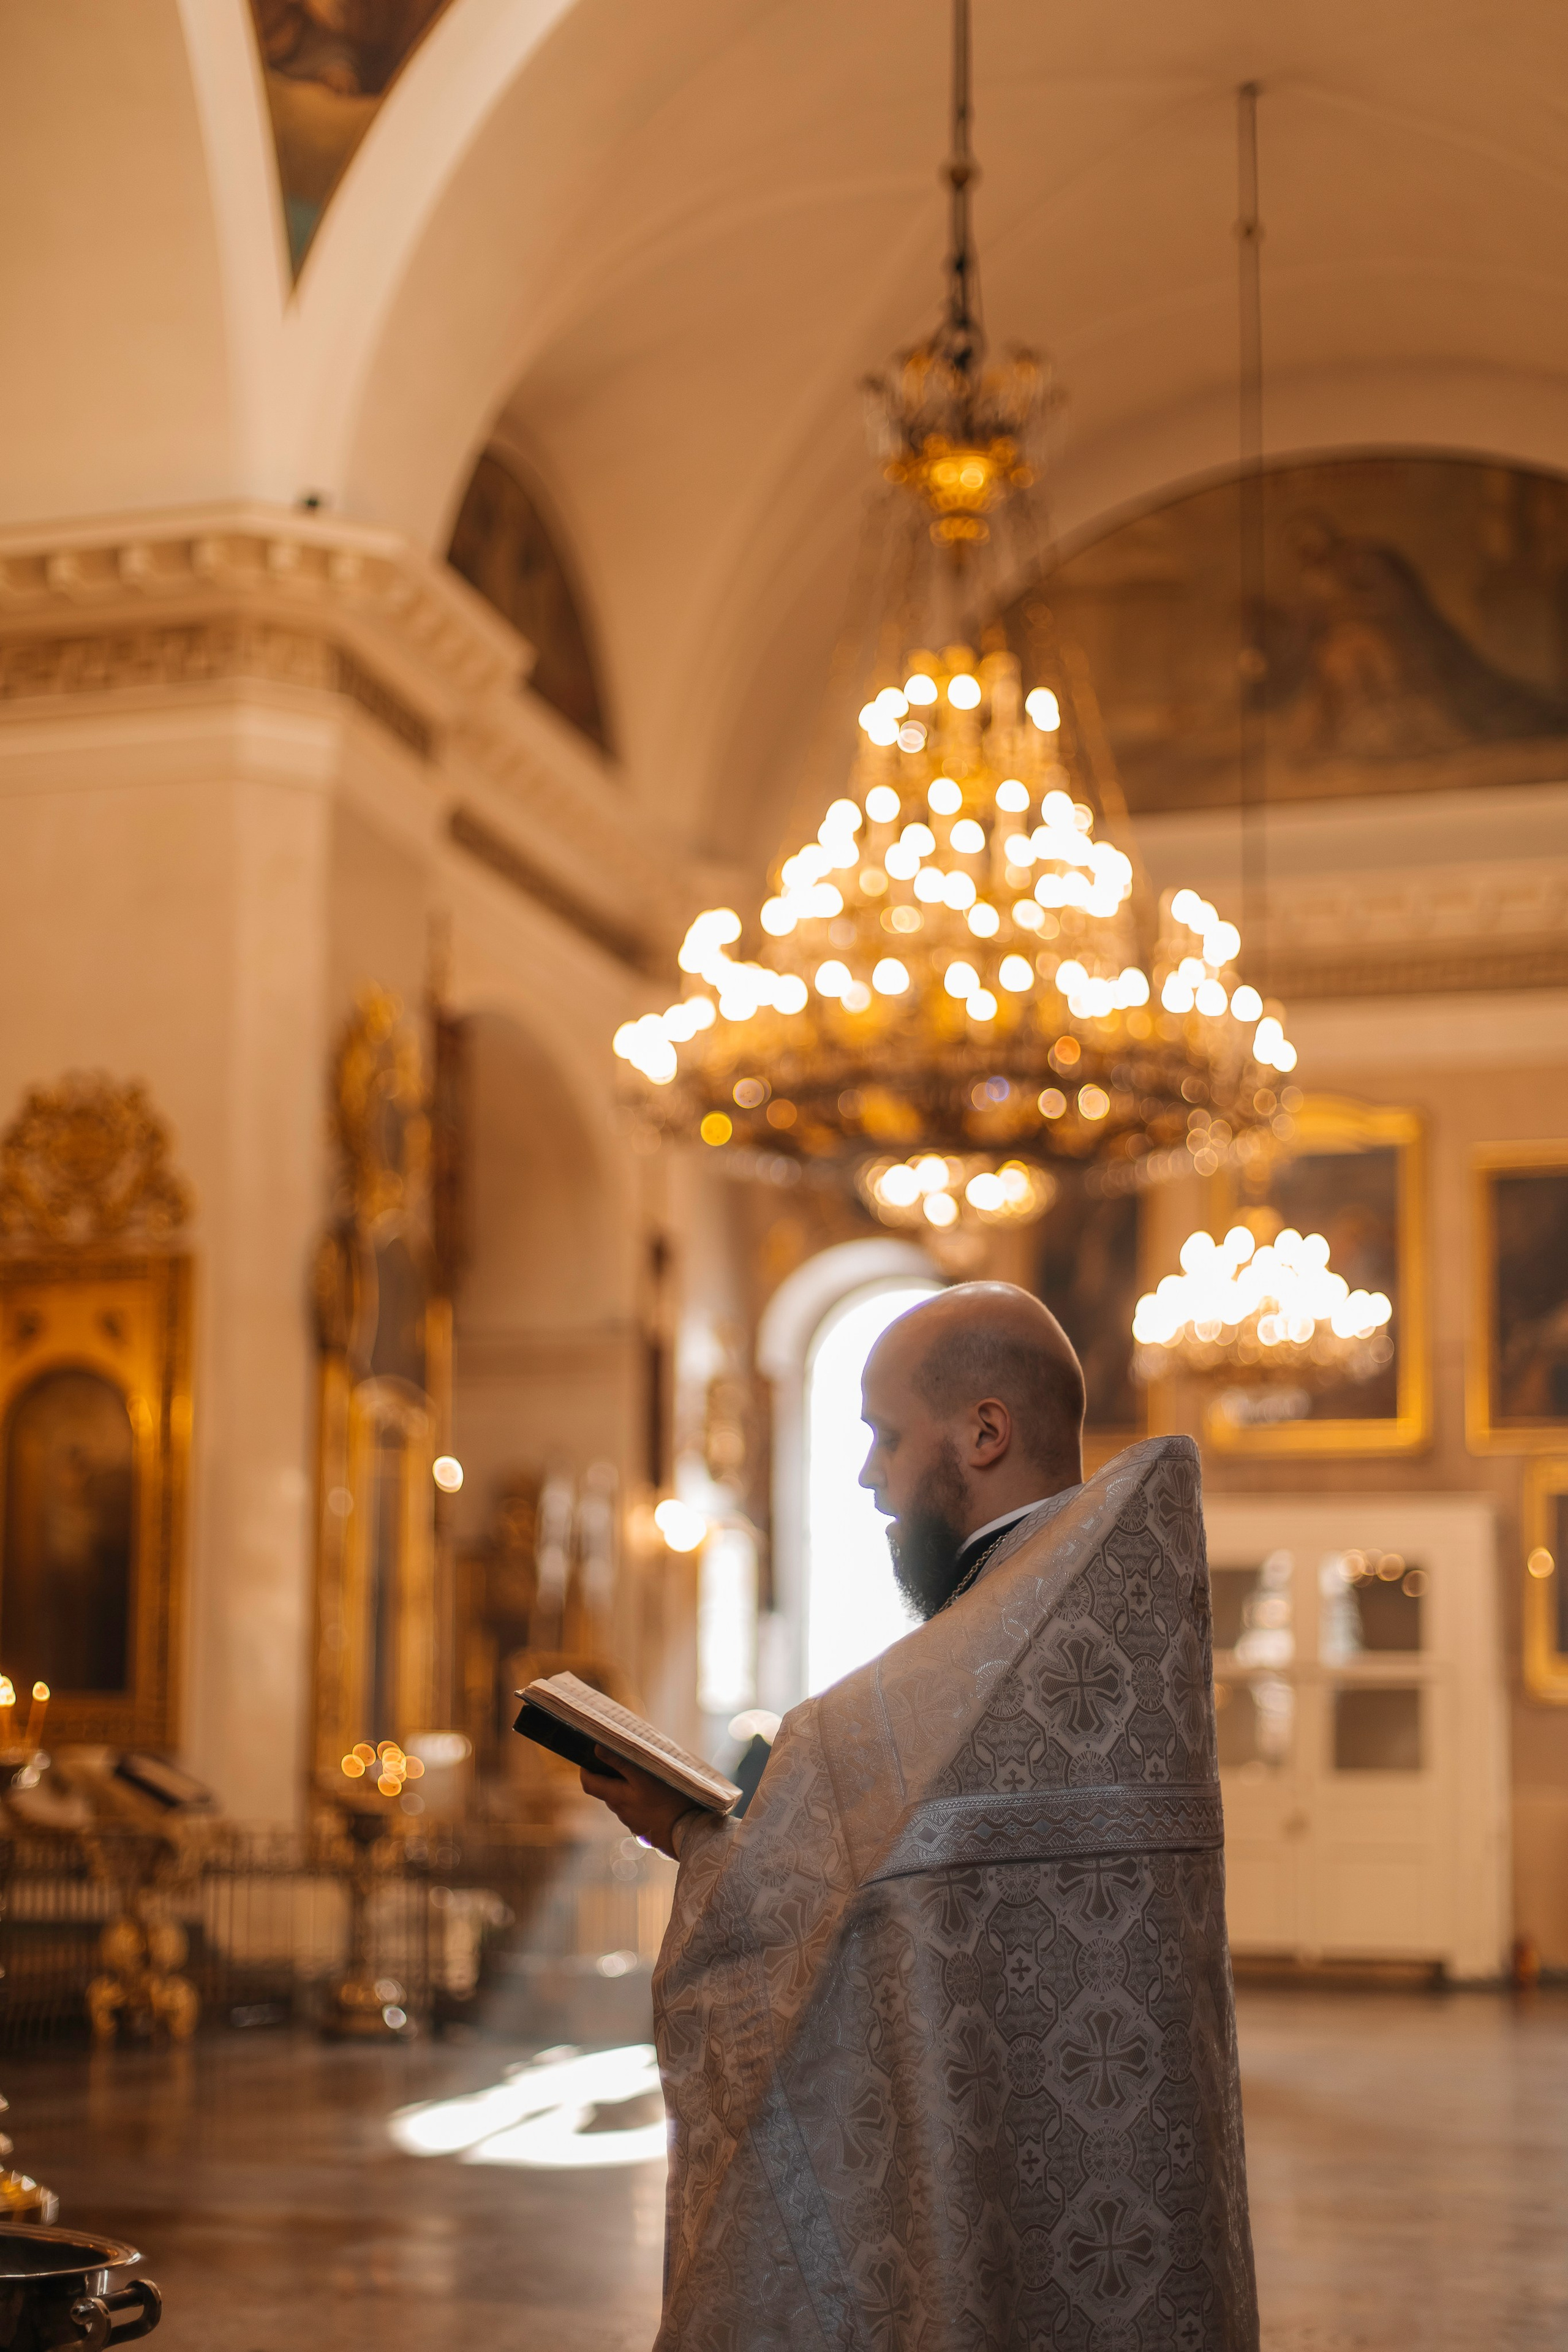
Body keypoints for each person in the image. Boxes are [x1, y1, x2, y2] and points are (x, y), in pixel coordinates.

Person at [582, 1281, 1257, 2350]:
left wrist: (690, 1836)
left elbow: (785, 1914)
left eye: (886, 1438)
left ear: (984, 1430)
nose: (865, 1475)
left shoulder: (961, 1680)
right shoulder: (1099, 1626)